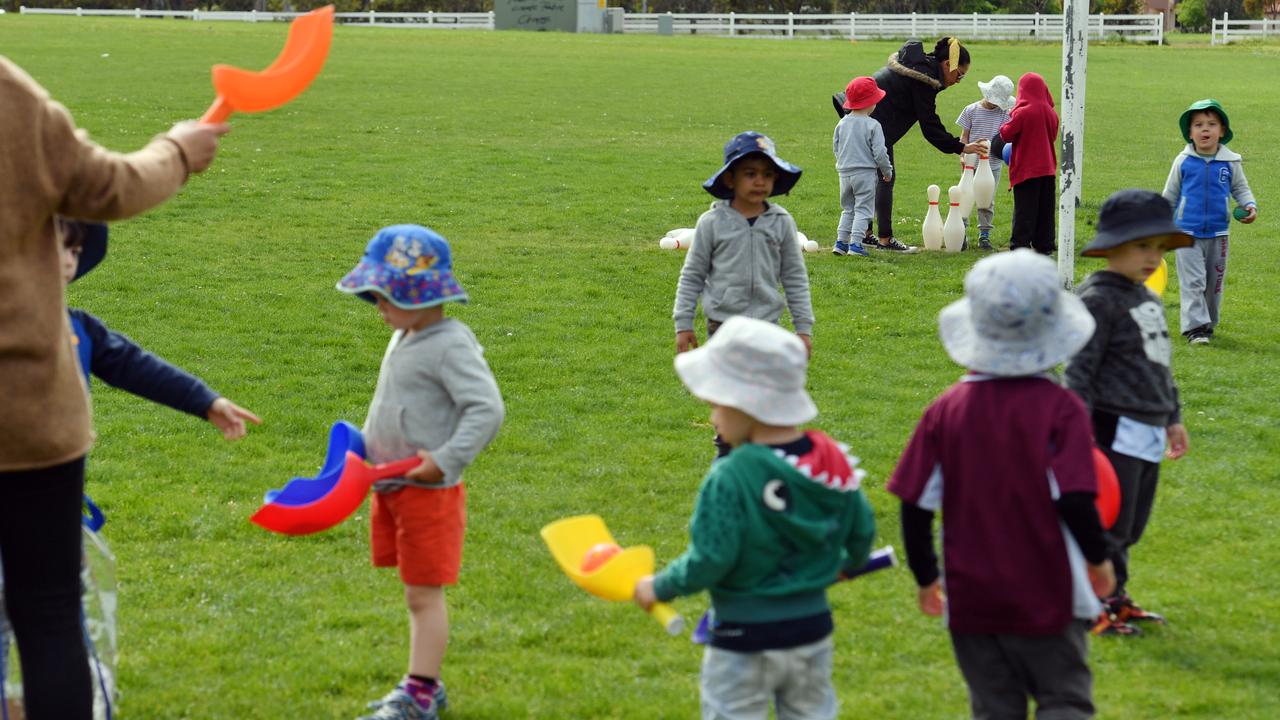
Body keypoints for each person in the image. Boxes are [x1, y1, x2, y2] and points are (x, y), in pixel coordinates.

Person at [0, 55, 228, 719]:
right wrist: (179, 150)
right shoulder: (9, 94)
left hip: (31, 414)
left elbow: (128, 361)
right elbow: (109, 188)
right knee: (47, 613)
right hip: (28, 411)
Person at [889, 249, 1115, 720]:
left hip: (972, 596)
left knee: (994, 708)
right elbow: (1075, 498)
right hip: (1047, 590)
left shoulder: (945, 410)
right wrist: (1099, 559)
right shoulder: (1061, 409)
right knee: (1064, 699)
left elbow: (914, 505)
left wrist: (927, 577)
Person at [635, 316, 876, 720]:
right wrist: (847, 566)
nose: (712, 417)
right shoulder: (829, 460)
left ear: (746, 403)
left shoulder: (731, 476)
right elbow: (862, 530)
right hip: (811, 632)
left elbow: (711, 558)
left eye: (716, 404)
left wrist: (659, 587)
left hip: (741, 640)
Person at [337, 224, 504, 720]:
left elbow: (486, 409)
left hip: (428, 491)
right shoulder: (408, 332)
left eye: (384, 296)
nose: (377, 307)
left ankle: (422, 692)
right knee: (412, 590)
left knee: (422, 594)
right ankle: (422, 686)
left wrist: (445, 460)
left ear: (420, 294)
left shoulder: (450, 344)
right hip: (390, 484)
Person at [1064, 189, 1192, 636]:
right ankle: (1092, 603)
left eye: (1159, 247)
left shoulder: (1147, 299)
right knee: (1110, 523)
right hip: (1111, 425)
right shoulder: (1098, 299)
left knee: (1132, 524)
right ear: (1112, 246)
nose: (1153, 257)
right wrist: (1077, 431)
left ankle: (1115, 597)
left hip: (1151, 426)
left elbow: (1160, 364)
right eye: (1142, 246)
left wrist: (1173, 416)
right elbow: (1078, 370)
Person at [832, 37, 988, 252]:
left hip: (857, 120)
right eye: (959, 74)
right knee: (886, 178)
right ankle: (885, 239)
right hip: (874, 125)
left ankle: (865, 234)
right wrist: (961, 147)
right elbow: (930, 126)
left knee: (873, 180)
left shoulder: (921, 68)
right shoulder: (924, 79)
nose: (958, 80)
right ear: (946, 65)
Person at [1160, 98, 1258, 344]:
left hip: (1219, 233)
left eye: (1212, 124)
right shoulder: (1183, 161)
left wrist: (1249, 206)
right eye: (1199, 125)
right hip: (1186, 233)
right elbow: (1170, 195)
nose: (1205, 129)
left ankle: (1208, 322)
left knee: (1214, 283)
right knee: (1193, 281)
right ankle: (1195, 328)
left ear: (1222, 131)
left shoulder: (1230, 162)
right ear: (1190, 133)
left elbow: (1241, 189)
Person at [995, 72, 1059, 255]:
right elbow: (1052, 136)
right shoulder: (1051, 113)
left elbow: (1005, 134)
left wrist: (1011, 115)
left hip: (1027, 170)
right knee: (1045, 209)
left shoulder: (1022, 112)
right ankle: (1045, 244)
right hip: (1047, 169)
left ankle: (1020, 244)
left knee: (1025, 209)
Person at [832, 76, 893, 258]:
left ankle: (841, 242)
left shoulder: (842, 123)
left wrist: (842, 164)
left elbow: (836, 147)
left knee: (848, 208)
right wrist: (887, 171)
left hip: (844, 173)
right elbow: (880, 153)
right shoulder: (873, 125)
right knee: (863, 210)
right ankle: (856, 245)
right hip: (865, 174)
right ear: (871, 102)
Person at [956, 75, 1015, 251]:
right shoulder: (971, 110)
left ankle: (984, 235)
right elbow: (964, 136)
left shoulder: (1005, 112)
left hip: (993, 165)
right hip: (970, 164)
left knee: (987, 201)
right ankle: (961, 233)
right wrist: (962, 153)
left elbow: (1008, 138)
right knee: (965, 197)